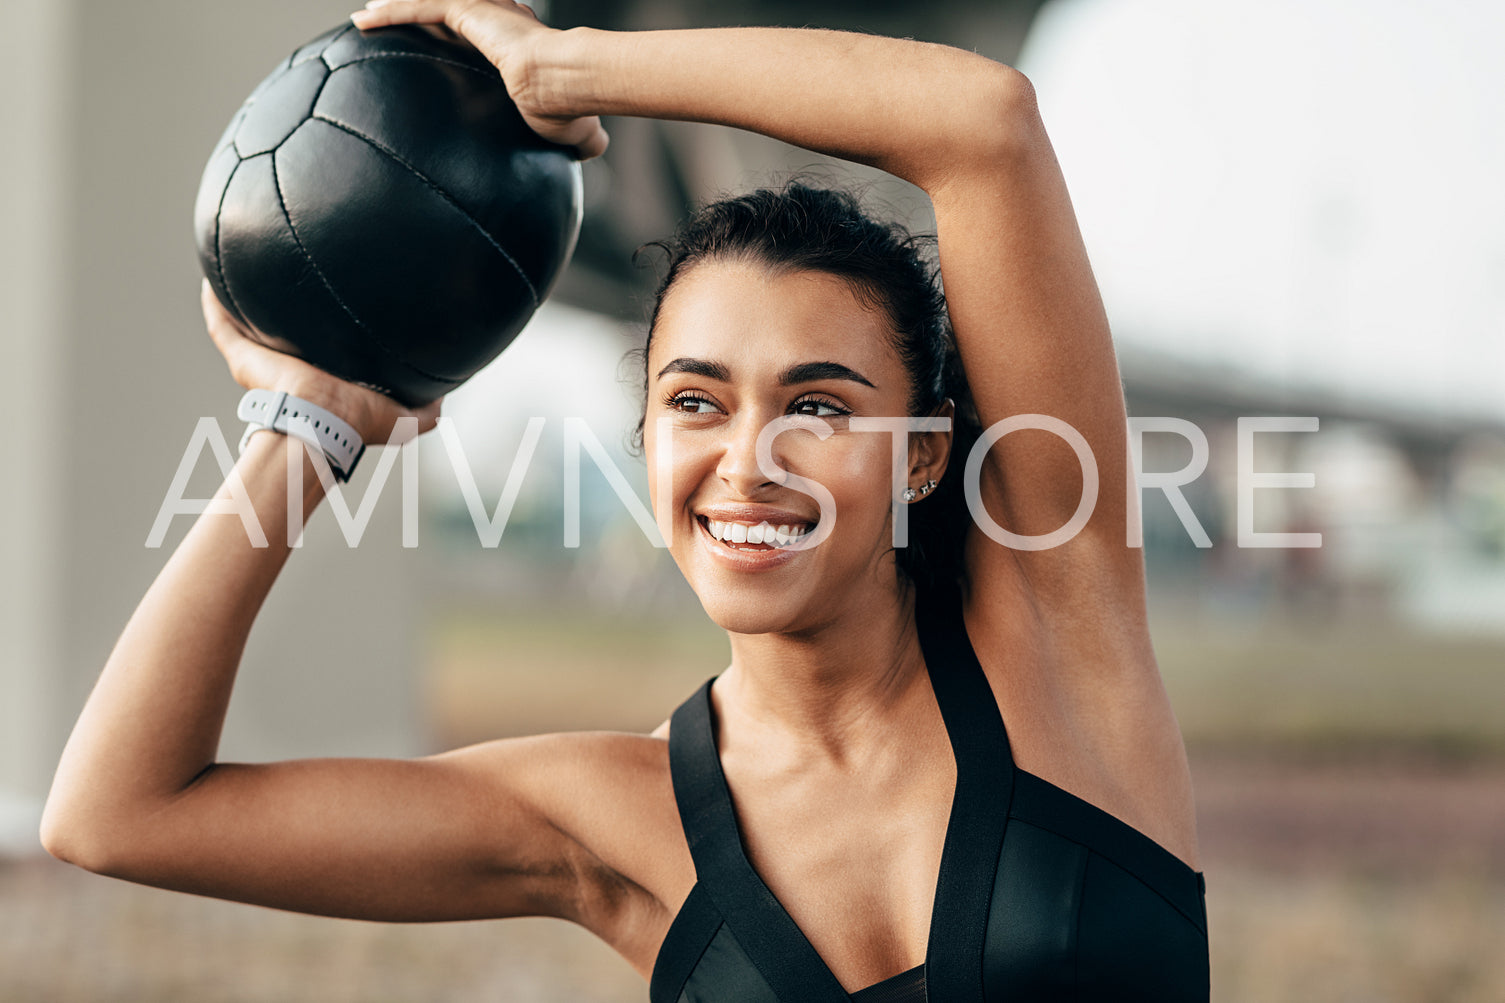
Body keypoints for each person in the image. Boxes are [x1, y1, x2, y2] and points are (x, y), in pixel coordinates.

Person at [42, 1, 1209, 999]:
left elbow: (980, 121)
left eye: (818, 406)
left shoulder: (1059, 640)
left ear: (917, 456)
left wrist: (568, 69)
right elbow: (118, 812)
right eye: (696, 403)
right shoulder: (620, 815)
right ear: (648, 443)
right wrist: (314, 421)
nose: (748, 459)